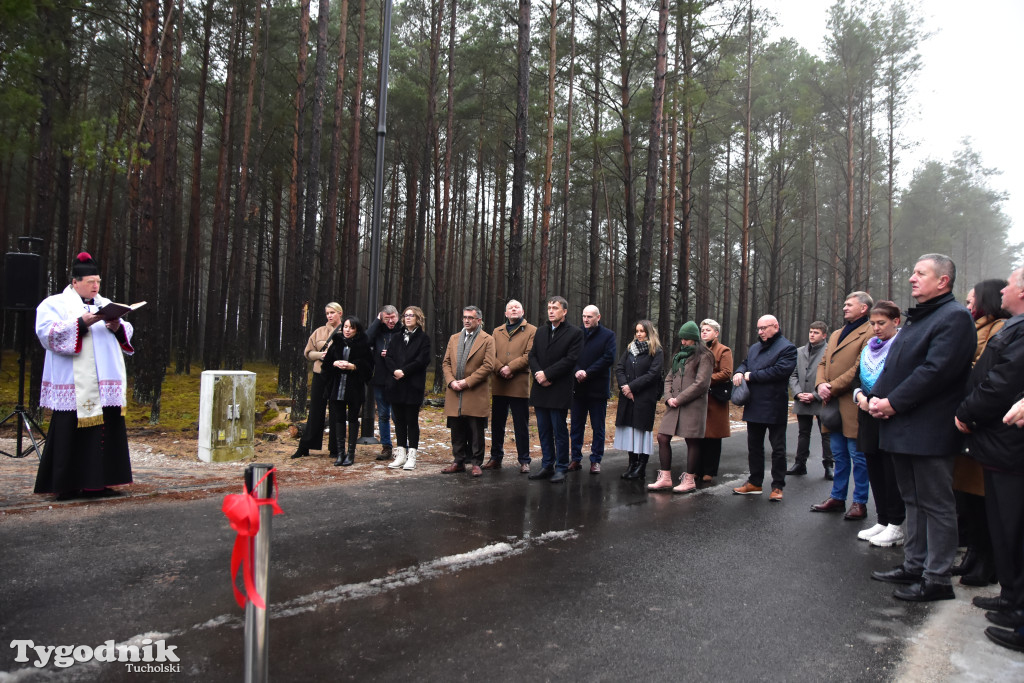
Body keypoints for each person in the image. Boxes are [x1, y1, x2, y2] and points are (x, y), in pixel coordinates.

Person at [868, 253, 975, 602]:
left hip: (929, 429)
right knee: (912, 500)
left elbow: (936, 371)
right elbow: (896, 366)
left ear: (943, 281)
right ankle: (914, 565)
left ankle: (937, 578)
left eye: (920, 273)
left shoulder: (954, 317)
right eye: (912, 272)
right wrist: (876, 397)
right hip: (903, 426)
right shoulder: (921, 317)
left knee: (937, 504)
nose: (912, 278)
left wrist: (893, 403)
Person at [955, 267, 1024, 636]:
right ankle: (1011, 597)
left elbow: (1001, 382)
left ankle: (1018, 609)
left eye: (1009, 285)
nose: (1003, 290)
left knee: (1013, 526)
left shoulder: (1018, 330)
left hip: (1009, 441)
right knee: (1001, 525)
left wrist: (966, 412)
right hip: (997, 442)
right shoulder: (1014, 326)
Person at [34, 252, 134, 501]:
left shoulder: (105, 303)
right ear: (75, 282)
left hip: (104, 383)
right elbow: (47, 333)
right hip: (73, 383)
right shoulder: (54, 304)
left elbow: (127, 331)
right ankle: (67, 485)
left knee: (105, 431)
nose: (95, 286)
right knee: (70, 431)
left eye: (98, 281)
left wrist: (117, 327)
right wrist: (80, 323)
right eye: (91, 282)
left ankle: (98, 483)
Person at [951, 278, 1010, 585]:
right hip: (966, 420)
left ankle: (987, 563)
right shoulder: (976, 327)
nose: (969, 304)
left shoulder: (1000, 328)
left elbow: (984, 371)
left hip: (981, 422)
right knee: (968, 500)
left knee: (982, 499)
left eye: (972, 299)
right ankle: (973, 555)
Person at [811, 292, 873, 520]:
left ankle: (859, 502)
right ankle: (837, 497)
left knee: (858, 456)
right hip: (831, 403)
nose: (844, 307)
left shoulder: (870, 332)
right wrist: (820, 385)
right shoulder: (837, 333)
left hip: (852, 402)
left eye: (849, 305)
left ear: (864, 308)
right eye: (844, 304)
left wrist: (832, 386)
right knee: (839, 454)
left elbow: (859, 367)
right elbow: (823, 362)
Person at [852, 301, 906, 547]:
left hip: (889, 416)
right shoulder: (868, 348)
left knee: (890, 471)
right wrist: (861, 397)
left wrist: (878, 401)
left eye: (881, 323)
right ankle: (882, 520)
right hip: (867, 415)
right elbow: (856, 378)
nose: (876, 328)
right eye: (873, 323)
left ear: (896, 321)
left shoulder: (902, 346)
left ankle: (896, 523)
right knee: (874, 468)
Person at [732, 315, 797, 501]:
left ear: (775, 326)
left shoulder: (787, 348)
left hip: (774, 404)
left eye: (764, 328)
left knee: (777, 448)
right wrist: (739, 372)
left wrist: (751, 376)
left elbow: (780, 371)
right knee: (754, 446)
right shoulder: (755, 348)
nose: (760, 332)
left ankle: (777, 486)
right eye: (758, 329)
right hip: (753, 403)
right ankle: (755, 482)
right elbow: (745, 363)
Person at [648, 321, 713, 493]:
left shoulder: (705, 356)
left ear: (694, 339)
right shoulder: (679, 356)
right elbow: (669, 378)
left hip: (693, 405)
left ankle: (689, 480)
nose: (683, 342)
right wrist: (669, 398)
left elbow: (701, 384)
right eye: (681, 339)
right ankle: (665, 477)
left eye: (686, 339)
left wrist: (679, 399)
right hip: (674, 404)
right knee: (662, 437)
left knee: (691, 440)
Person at [527, 296, 584, 484]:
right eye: (549, 307)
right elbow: (532, 355)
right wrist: (539, 375)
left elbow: (570, 359)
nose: (551, 311)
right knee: (543, 430)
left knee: (559, 431)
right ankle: (547, 465)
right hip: (540, 388)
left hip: (558, 388)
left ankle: (561, 467)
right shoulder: (541, 331)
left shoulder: (574, 333)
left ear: (564, 311)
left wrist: (548, 375)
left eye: (555, 308)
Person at [441, 306, 496, 476]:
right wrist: (451, 381)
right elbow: (446, 363)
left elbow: (488, 365)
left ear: (479, 320)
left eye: (470, 318)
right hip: (454, 391)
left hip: (475, 391)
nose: (466, 320)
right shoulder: (454, 338)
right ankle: (458, 462)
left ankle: (476, 463)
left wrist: (467, 382)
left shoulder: (487, 339)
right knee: (456, 429)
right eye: (464, 317)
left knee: (476, 430)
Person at [484, 300, 537, 473]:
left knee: (521, 424)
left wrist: (510, 368)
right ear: (506, 313)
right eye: (510, 308)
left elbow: (530, 354)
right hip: (499, 382)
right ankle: (495, 457)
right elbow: (490, 354)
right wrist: (500, 368)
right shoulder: (496, 331)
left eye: (517, 307)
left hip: (518, 383)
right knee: (497, 423)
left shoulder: (532, 330)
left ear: (523, 311)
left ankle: (524, 460)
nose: (513, 309)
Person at [613, 320, 665, 480]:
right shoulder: (630, 348)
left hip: (644, 397)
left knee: (642, 431)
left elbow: (653, 374)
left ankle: (641, 467)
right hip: (628, 397)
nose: (639, 334)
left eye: (642, 331)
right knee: (630, 430)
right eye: (637, 331)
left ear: (649, 332)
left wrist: (631, 387)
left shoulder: (656, 351)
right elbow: (619, 368)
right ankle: (632, 464)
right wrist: (624, 387)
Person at [293, 302, 344, 459]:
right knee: (315, 410)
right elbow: (308, 353)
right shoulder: (319, 332)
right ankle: (305, 446)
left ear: (340, 313)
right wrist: (320, 355)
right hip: (320, 374)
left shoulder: (346, 330)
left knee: (336, 411)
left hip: (337, 375)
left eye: (332, 312)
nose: (329, 315)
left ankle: (336, 448)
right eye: (327, 313)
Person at [569, 305, 617, 473]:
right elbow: (570, 356)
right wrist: (577, 371)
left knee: (598, 427)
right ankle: (575, 459)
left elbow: (608, 358)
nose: (586, 319)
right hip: (578, 388)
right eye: (584, 316)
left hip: (597, 389)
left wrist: (587, 372)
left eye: (589, 316)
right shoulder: (576, 334)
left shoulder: (608, 335)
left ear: (598, 317)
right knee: (576, 426)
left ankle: (596, 460)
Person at [385, 306, 431, 471]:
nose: (408, 318)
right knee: (399, 421)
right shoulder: (396, 337)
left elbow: (422, 360)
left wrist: (404, 371)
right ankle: (401, 454)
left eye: (411, 315)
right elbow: (389, 357)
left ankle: (412, 455)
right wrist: (395, 371)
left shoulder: (423, 338)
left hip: (413, 384)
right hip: (396, 384)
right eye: (406, 315)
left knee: (411, 421)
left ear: (418, 318)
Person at [322, 315, 373, 466]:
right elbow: (325, 365)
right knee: (338, 419)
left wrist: (354, 366)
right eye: (345, 327)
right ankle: (340, 453)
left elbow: (369, 367)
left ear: (357, 330)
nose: (347, 330)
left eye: (351, 327)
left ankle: (351, 454)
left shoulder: (363, 345)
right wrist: (334, 363)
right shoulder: (336, 342)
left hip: (354, 388)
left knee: (352, 419)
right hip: (337, 387)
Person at [787, 321, 833, 479]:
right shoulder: (800, 351)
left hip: (822, 399)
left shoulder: (830, 351)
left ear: (824, 335)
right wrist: (798, 393)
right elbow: (793, 375)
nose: (812, 335)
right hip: (802, 398)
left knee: (826, 433)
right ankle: (800, 464)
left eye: (816, 332)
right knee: (803, 433)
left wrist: (815, 395)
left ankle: (829, 465)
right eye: (811, 331)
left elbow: (831, 377)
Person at [695, 319, 733, 482]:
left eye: (708, 330)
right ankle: (697, 469)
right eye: (702, 330)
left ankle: (709, 471)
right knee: (699, 435)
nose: (704, 332)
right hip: (699, 398)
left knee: (713, 436)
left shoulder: (724, 350)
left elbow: (726, 372)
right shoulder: (697, 350)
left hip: (715, 398)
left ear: (716, 333)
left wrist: (705, 380)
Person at [367, 305, 401, 461]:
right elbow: (366, 340)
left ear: (398, 316)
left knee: (397, 415)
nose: (391, 321)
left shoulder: (403, 331)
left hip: (398, 379)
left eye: (393, 317)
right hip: (380, 378)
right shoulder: (378, 331)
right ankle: (386, 447)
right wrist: (377, 321)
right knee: (383, 415)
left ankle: (403, 447)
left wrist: (393, 354)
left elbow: (411, 352)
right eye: (387, 318)